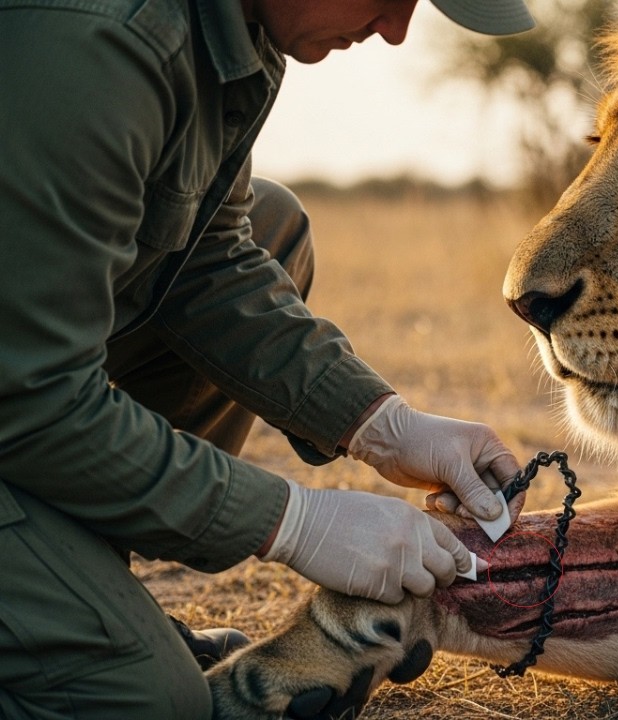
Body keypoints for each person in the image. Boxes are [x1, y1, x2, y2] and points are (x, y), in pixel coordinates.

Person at [0, 0, 536, 717]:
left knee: (271, 225)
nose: (397, 30)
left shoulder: (239, 32)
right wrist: (293, 522)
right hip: (21, 394)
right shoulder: (104, 41)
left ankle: (77, 592)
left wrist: (379, 422)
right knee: (142, 704)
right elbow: (30, 396)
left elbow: (205, 262)